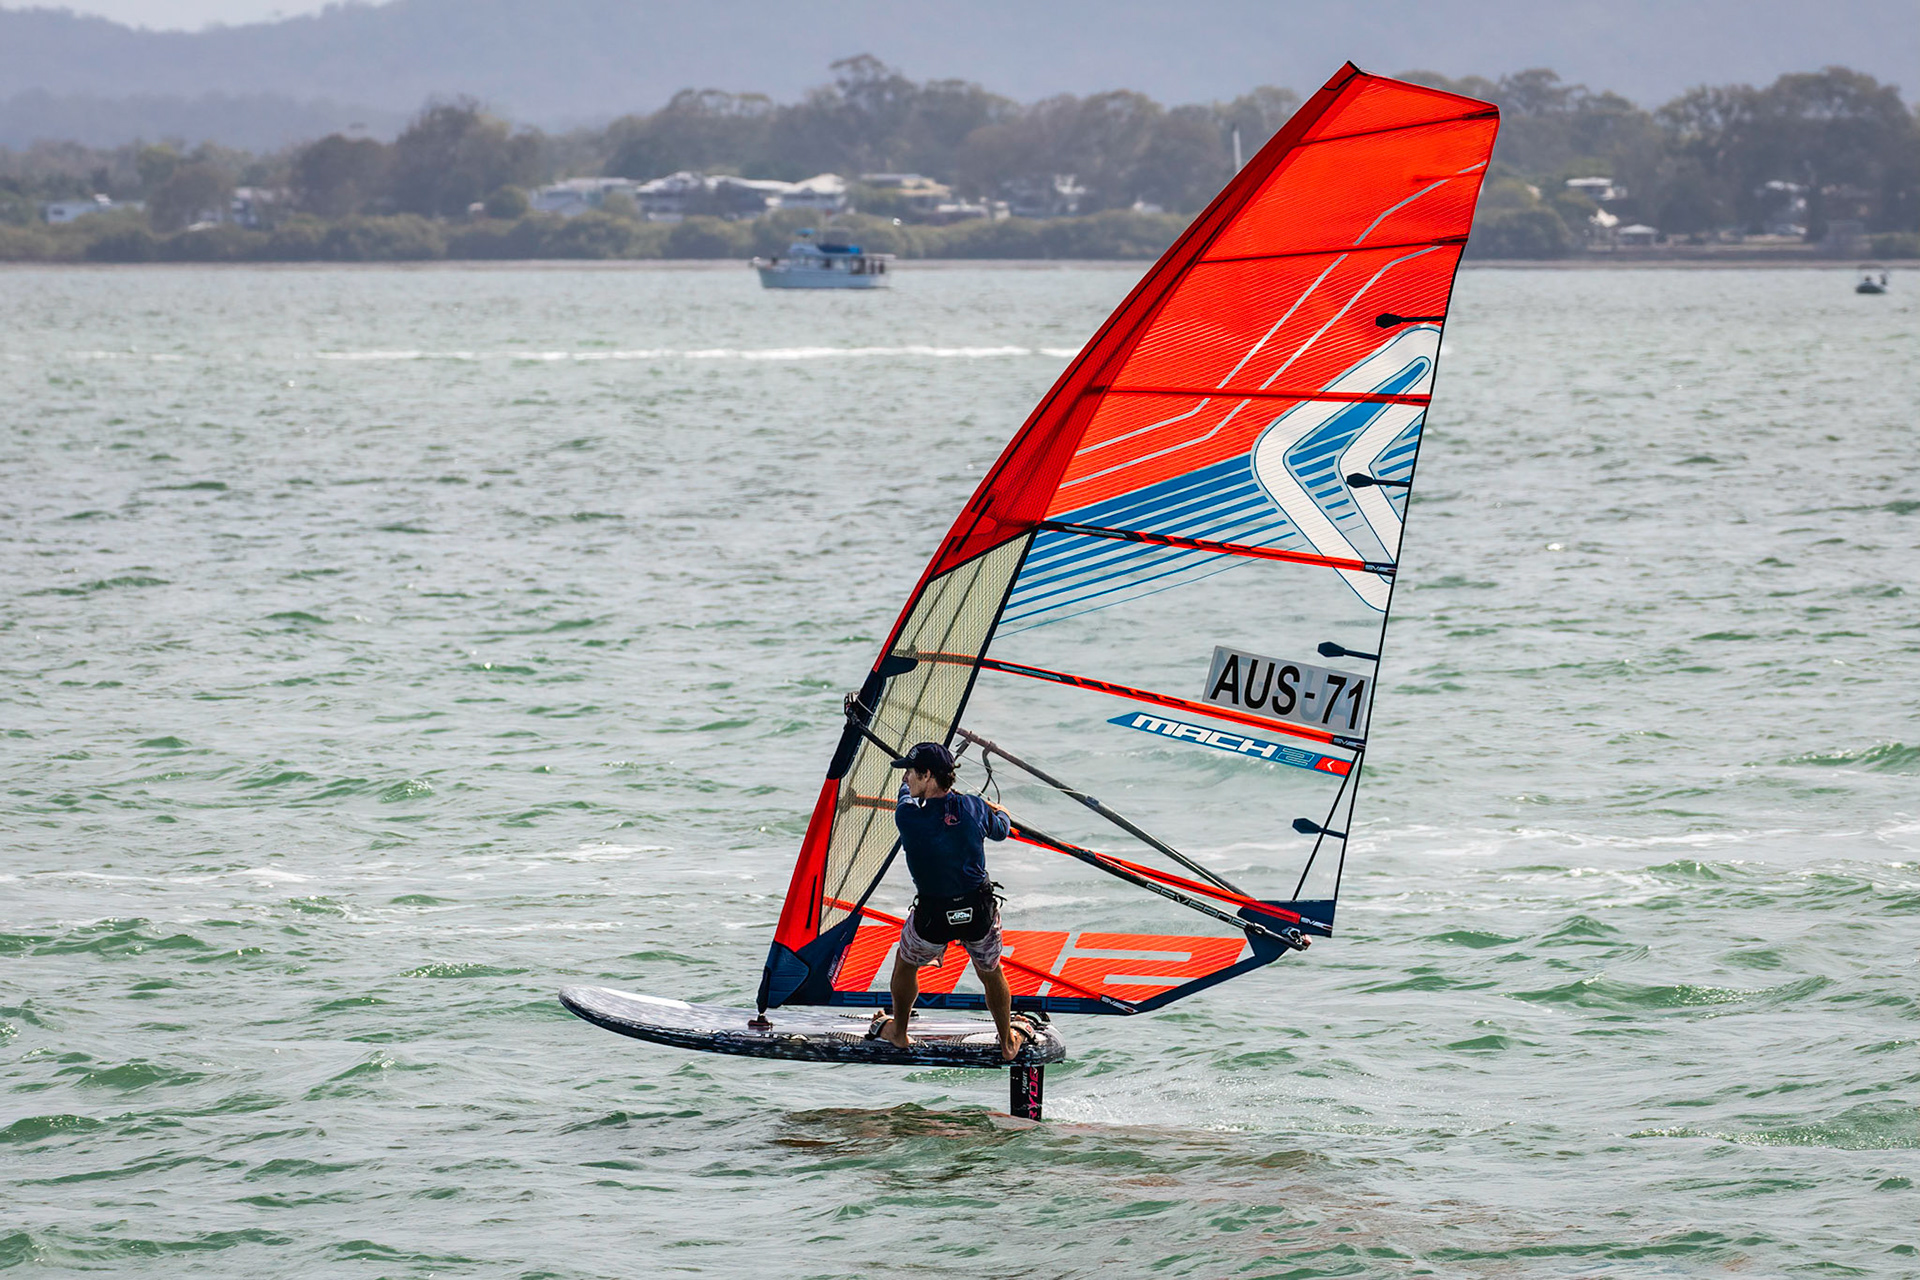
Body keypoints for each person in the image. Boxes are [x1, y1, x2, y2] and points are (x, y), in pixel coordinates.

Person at [875, 740, 1031, 1061]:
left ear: (928, 775)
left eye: (911, 773)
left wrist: (907, 790)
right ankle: (1006, 1041)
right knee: (991, 972)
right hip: (979, 915)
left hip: (933, 919)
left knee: (905, 965)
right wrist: (999, 812)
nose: (906, 779)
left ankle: (900, 1032)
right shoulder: (974, 807)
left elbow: (905, 797)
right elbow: (1001, 830)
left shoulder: (907, 817)